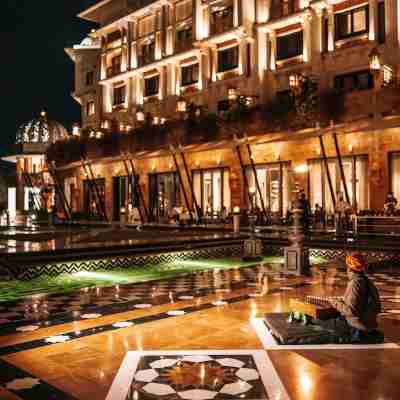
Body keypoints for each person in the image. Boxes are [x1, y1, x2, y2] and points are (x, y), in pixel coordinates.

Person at [323, 253, 383, 343]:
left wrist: (333, 302)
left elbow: (351, 311)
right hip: (368, 326)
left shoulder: (355, 283)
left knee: (320, 322)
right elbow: (377, 308)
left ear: (349, 269)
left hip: (357, 327)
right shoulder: (367, 281)